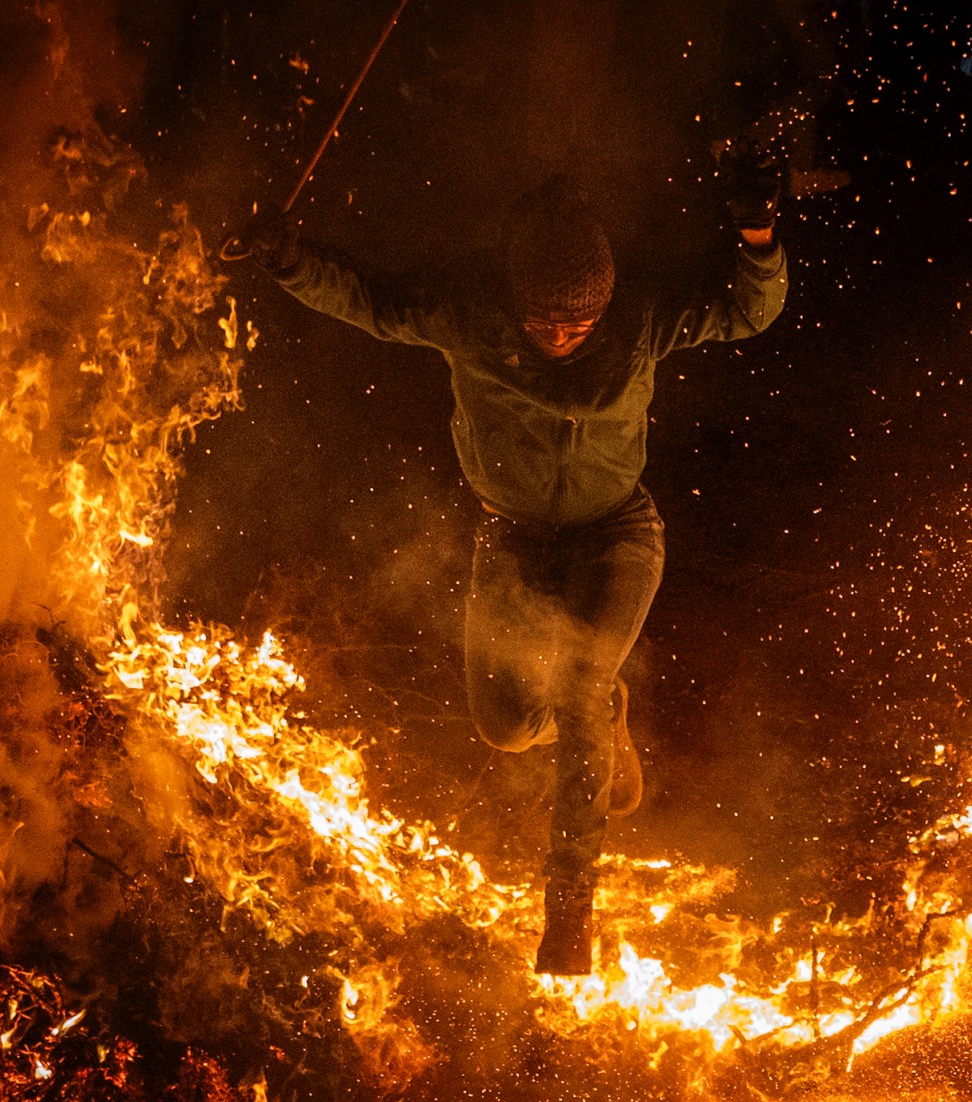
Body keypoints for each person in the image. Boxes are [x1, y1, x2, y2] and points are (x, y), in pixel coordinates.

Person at [238, 162, 787, 975]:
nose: (562, 336)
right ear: (513, 300)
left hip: (617, 535)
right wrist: (287, 258)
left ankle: (570, 910)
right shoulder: (467, 310)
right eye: (545, 322)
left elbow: (747, 308)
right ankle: (604, 711)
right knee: (504, 727)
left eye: (581, 324)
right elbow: (369, 299)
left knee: (577, 686)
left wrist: (758, 236)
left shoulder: (637, 322)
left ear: (606, 308)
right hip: (513, 539)